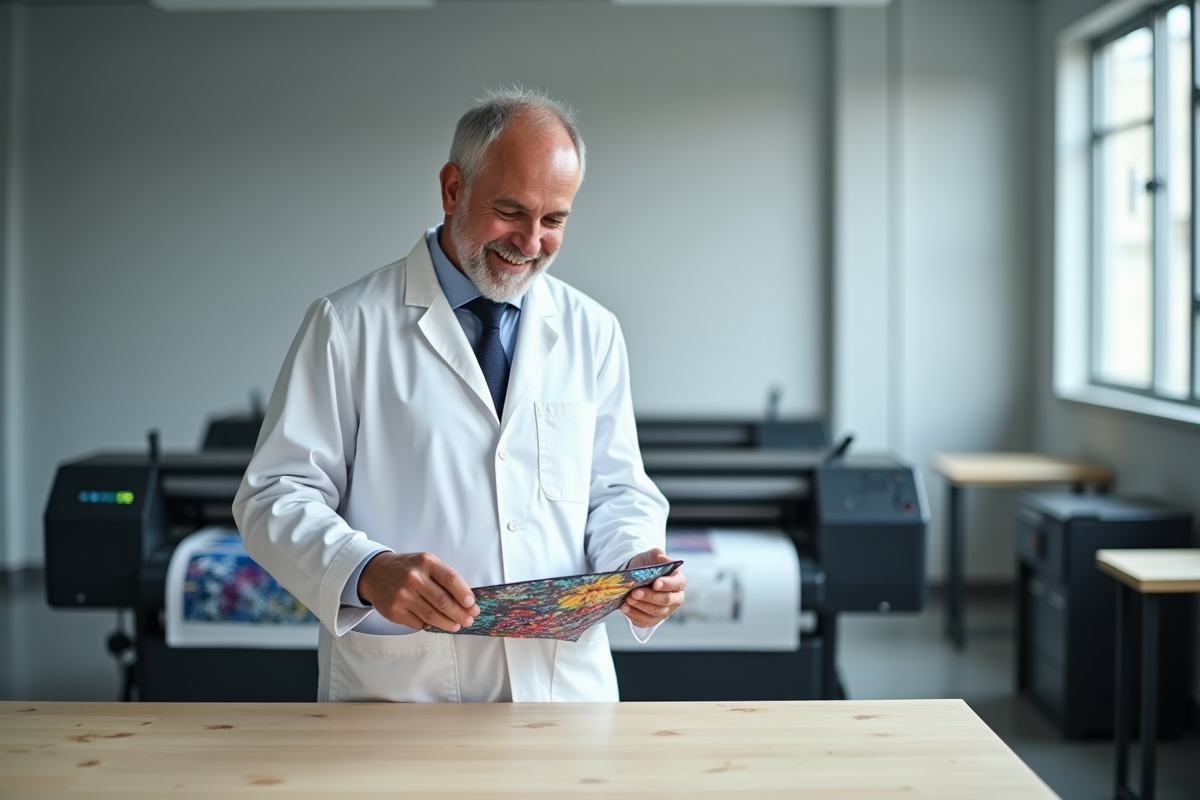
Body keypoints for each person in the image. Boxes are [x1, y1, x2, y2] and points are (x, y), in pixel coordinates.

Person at [233, 88, 685, 703]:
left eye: (554, 221)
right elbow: (274, 496)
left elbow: (616, 490)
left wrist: (635, 563)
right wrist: (364, 571)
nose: (530, 243)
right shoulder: (348, 325)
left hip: (560, 694)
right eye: (510, 211)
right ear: (453, 189)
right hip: (402, 693)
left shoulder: (592, 330)